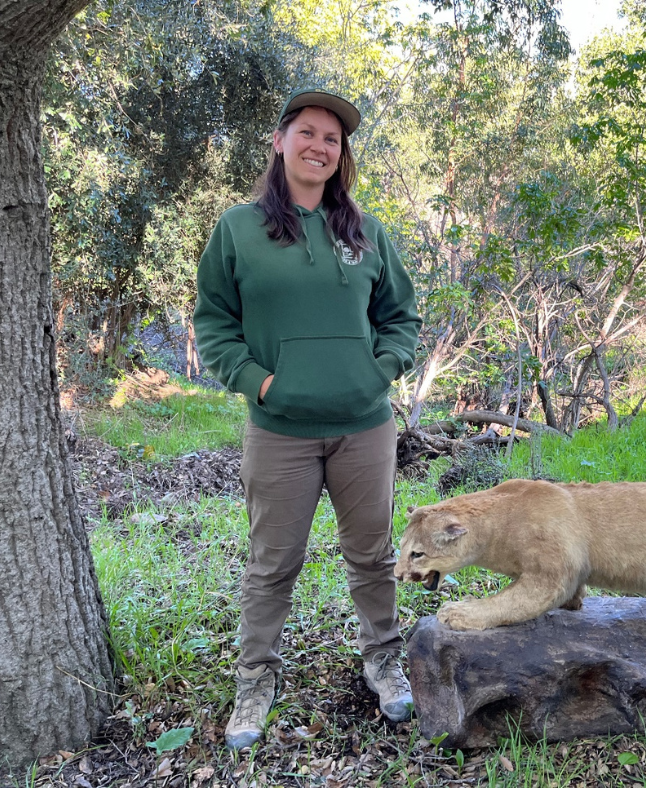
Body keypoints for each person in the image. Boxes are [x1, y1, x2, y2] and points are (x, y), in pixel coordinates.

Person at [193, 87, 422, 750]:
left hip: (364, 427)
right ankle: (256, 680)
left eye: (334, 139)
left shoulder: (365, 231)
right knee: (272, 564)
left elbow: (400, 316)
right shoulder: (238, 229)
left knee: (373, 556)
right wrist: (257, 382)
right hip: (280, 431)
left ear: (340, 154)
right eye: (309, 133)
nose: (321, 146)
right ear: (280, 141)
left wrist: (379, 369)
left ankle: (383, 660)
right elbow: (214, 320)